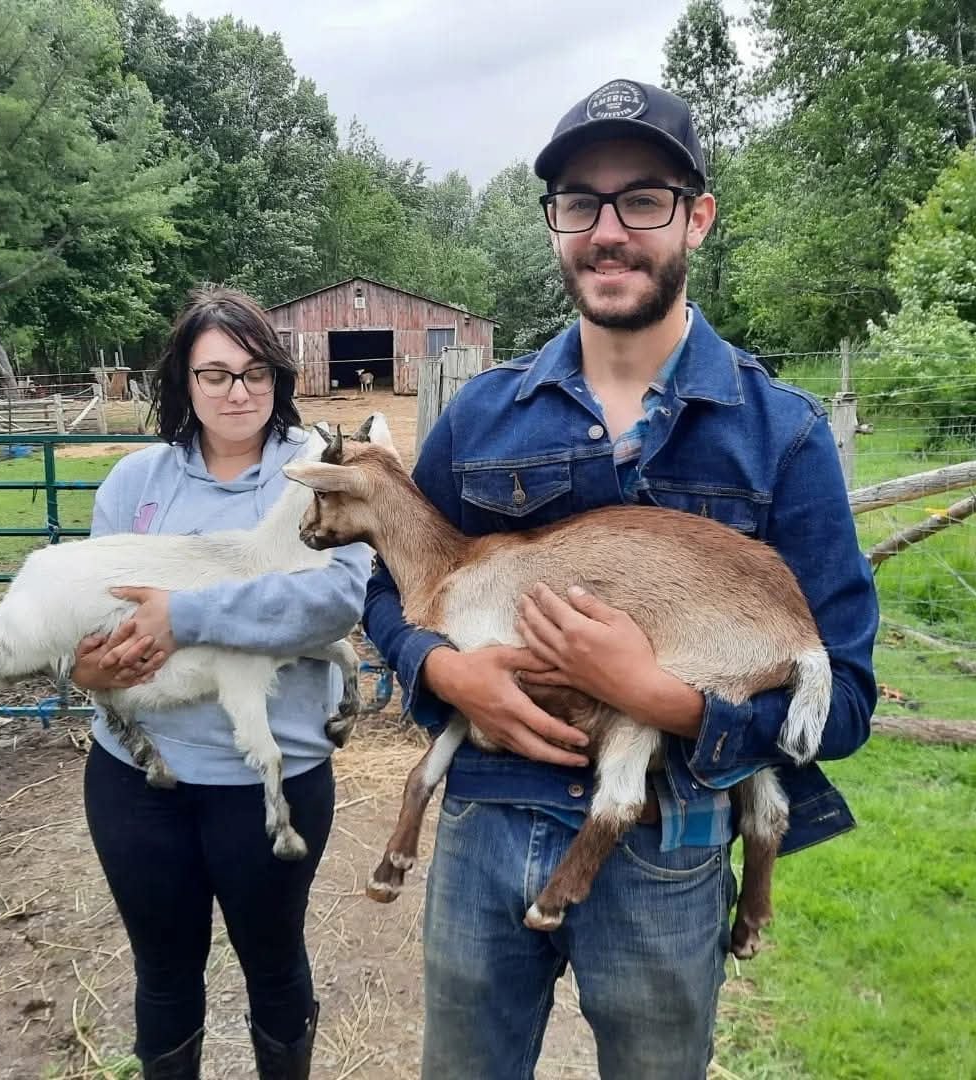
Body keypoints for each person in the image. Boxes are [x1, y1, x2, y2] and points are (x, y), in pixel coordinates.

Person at [363, 79, 879, 1079]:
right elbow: (389, 592)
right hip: (481, 828)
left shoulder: (783, 437)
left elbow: (843, 697)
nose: (608, 231)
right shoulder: (483, 418)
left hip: (670, 847)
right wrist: (440, 671)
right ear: (554, 225)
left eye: (642, 199)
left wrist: (661, 699)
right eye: (579, 204)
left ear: (698, 215)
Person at [73, 286, 372, 1079]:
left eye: (253, 372)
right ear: (184, 383)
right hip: (136, 780)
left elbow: (334, 601)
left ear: (277, 376)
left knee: (273, 964)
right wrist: (83, 666)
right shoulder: (135, 485)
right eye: (214, 375)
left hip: (270, 777)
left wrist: (188, 614)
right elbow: (93, 601)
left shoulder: (319, 470)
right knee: (164, 970)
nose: (236, 391)